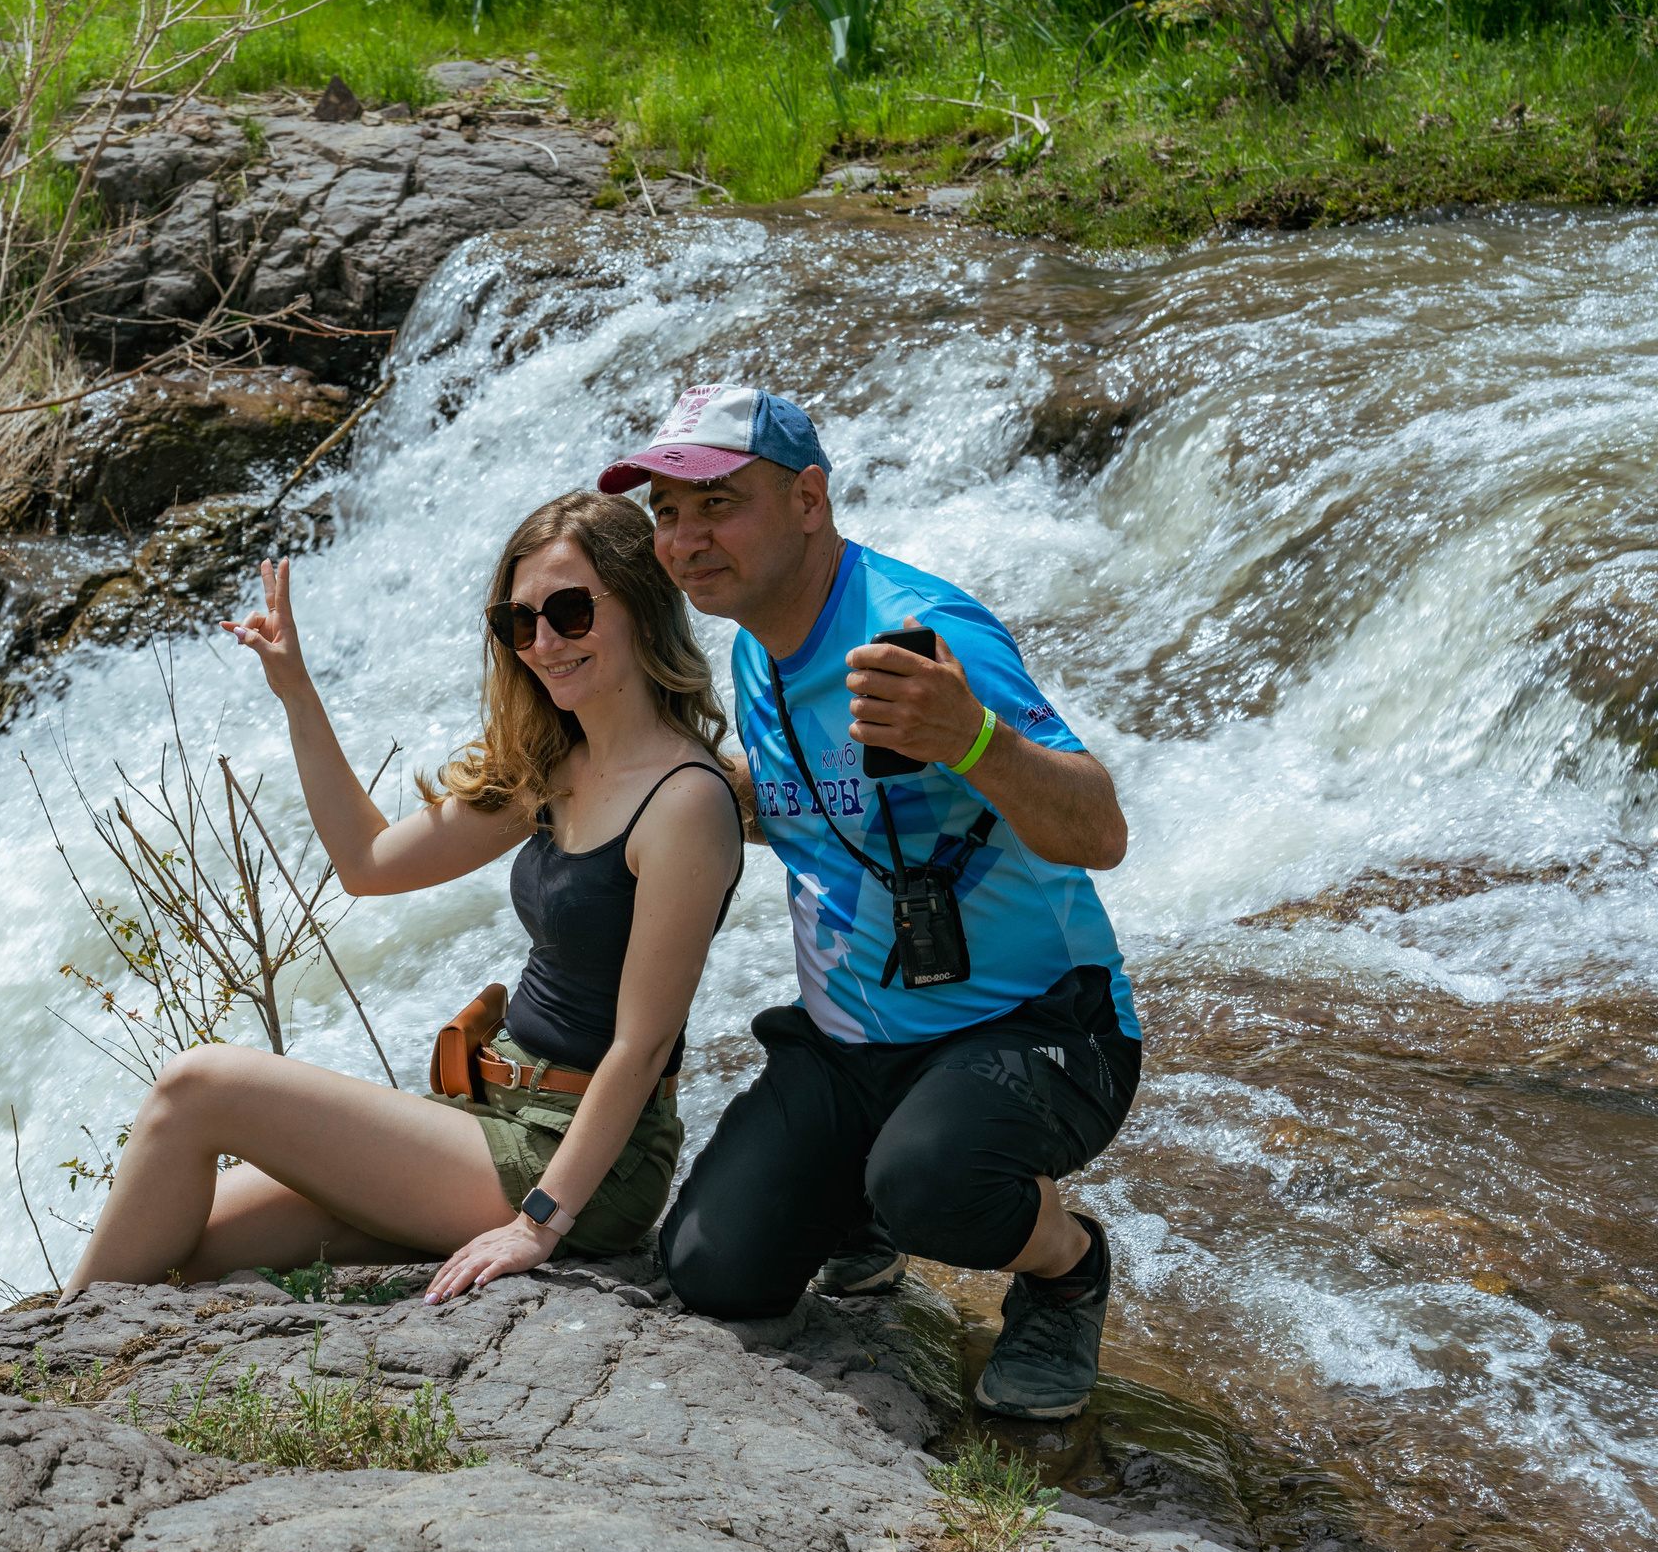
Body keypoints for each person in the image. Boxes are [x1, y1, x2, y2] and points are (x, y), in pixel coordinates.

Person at [606, 384, 1141, 1420]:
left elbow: (1100, 831)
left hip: (1035, 1028)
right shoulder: (756, 640)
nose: (684, 539)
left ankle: (1065, 1269)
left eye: (717, 503)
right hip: (851, 1041)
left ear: (809, 499)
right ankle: (863, 1190)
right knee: (713, 1273)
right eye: (665, 514)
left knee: (937, 1186)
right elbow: (812, 805)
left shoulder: (922, 634)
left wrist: (974, 740)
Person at [66, 491, 745, 1303]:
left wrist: (536, 1223)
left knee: (196, 1088)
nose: (544, 643)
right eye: (518, 623)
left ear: (640, 604)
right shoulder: (555, 764)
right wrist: (296, 691)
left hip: (578, 1161)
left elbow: (639, 1048)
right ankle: (57, 1363)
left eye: (569, 611)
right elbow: (370, 861)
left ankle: (36, 1370)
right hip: (489, 1118)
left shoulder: (684, 802)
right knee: (189, 1249)